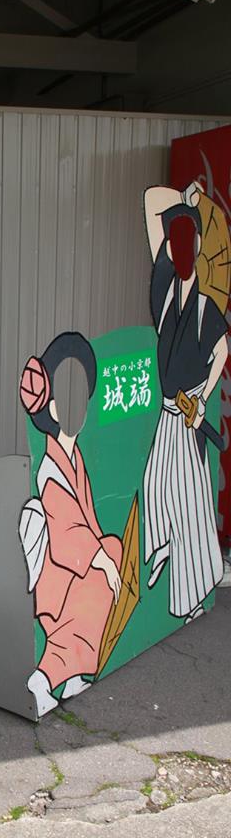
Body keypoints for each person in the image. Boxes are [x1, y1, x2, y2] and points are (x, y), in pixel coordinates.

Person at [19, 333, 122, 718]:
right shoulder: (51, 468)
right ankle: (43, 679)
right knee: (98, 576)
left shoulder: (74, 456)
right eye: (70, 396)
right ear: (52, 405)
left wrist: (104, 553)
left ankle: (76, 673)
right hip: (59, 570)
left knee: (111, 549)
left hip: (78, 560)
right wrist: (101, 558)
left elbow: (89, 522)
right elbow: (66, 533)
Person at [143, 182, 227, 621]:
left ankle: (193, 590)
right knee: (155, 482)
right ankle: (161, 546)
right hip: (168, 410)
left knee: (189, 501)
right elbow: (151, 204)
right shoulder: (165, 296)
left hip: (190, 412)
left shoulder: (205, 305)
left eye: (185, 241)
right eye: (174, 242)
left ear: (195, 247)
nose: (178, 250)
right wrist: (186, 201)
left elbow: (222, 351)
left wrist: (204, 399)